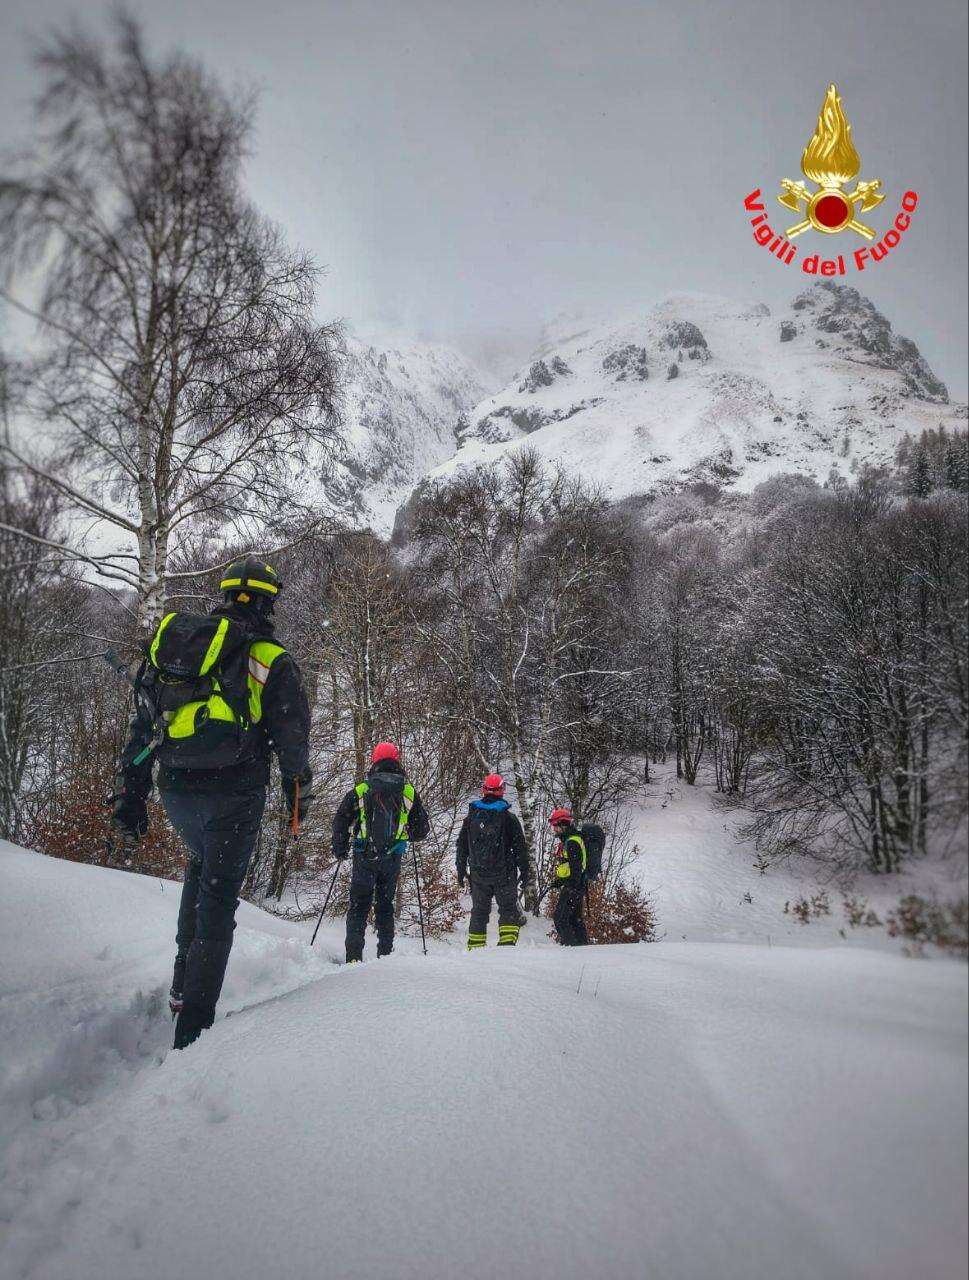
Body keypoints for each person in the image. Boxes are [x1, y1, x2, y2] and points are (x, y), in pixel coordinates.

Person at [111, 556, 312, 1049]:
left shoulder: (177, 647)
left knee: (199, 868)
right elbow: (293, 739)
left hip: (176, 789)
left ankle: (182, 986)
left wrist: (132, 797)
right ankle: (194, 1027)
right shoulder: (269, 657)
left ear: (223, 594)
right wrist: (295, 801)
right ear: (269, 600)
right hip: (235, 793)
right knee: (218, 899)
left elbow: (143, 725)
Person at [331, 742, 430, 963]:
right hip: (392, 857)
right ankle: (385, 956)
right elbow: (422, 829)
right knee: (385, 905)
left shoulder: (361, 789)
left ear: (374, 761)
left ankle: (354, 957)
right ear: (397, 760)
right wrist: (408, 835)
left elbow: (341, 819)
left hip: (364, 855)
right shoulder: (408, 791)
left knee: (358, 904)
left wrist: (340, 847)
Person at [456, 773, 531, 949]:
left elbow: (461, 846)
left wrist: (461, 870)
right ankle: (506, 946)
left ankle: (475, 948)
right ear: (502, 790)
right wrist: (525, 872)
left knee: (479, 912)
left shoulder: (471, 817)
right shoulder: (509, 818)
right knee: (507, 909)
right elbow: (520, 848)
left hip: (478, 874)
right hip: (504, 874)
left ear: (484, 790)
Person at [548, 807, 588, 946]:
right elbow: (572, 868)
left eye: (555, 826)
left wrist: (567, 884)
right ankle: (582, 948)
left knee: (560, 918)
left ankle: (571, 948)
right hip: (576, 885)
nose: (554, 830)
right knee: (574, 919)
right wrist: (560, 881)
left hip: (573, 887)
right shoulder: (571, 840)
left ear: (563, 825)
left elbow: (576, 869)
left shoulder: (572, 842)